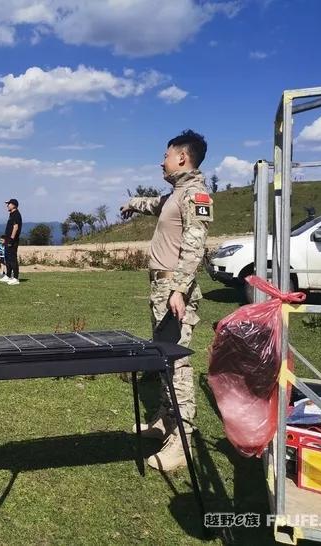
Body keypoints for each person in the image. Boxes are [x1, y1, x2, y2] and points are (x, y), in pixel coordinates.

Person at [119, 129, 213, 472]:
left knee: (177, 361)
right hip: (162, 288)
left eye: (166, 155)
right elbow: (154, 203)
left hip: (175, 291)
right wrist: (131, 204)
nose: (162, 161)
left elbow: (195, 243)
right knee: (162, 355)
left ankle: (182, 438)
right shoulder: (175, 194)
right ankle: (164, 418)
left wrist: (178, 289)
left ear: (182, 158)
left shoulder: (196, 194)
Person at [0, 198, 22, 285]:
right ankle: (8, 276)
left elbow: (15, 227)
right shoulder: (11, 214)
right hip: (8, 239)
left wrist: (11, 239)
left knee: (12, 259)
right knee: (7, 258)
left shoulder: (16, 214)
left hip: (12, 240)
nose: (7, 205)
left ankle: (16, 278)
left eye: (8, 204)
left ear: (13, 205)